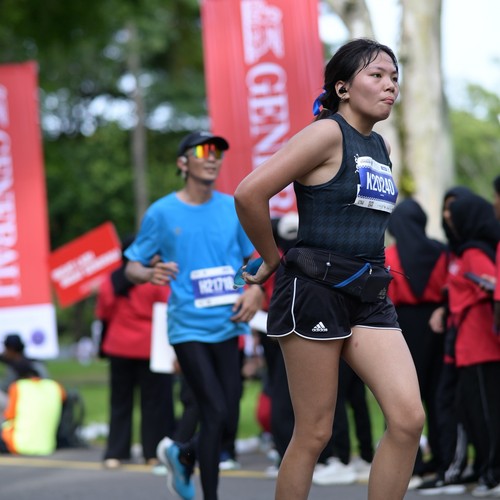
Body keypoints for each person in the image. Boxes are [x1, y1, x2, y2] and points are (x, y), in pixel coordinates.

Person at [234, 38, 425, 500]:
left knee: (407, 420)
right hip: (315, 290)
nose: (390, 85)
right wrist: (272, 259)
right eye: (376, 75)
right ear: (342, 88)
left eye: (394, 77)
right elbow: (249, 193)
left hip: (370, 294)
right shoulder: (326, 133)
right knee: (314, 433)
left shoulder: (380, 145)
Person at [124, 131, 264, 500]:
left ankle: (183, 454)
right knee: (213, 409)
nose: (212, 157)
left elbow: (254, 259)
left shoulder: (232, 207)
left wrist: (254, 289)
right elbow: (132, 266)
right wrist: (148, 273)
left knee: (227, 416)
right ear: (182, 162)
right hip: (188, 327)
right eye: (202, 150)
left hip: (229, 325)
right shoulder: (162, 213)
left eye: (217, 151)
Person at [95, 236, 175, 469]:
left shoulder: (111, 279)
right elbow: (167, 308)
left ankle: (115, 453)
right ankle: (151, 453)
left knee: (120, 401)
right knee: (153, 403)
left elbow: (103, 312)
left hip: (118, 346)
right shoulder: (155, 278)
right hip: (150, 347)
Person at [385, 198, 448, 479]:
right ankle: (443, 456)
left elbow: (387, 295)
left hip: (404, 325)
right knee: (438, 393)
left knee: (405, 395)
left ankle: (413, 462)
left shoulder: (390, 256)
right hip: (438, 324)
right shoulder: (441, 252)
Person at [444, 193, 500, 497]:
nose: (448, 217)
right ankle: (486, 470)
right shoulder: (464, 251)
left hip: (482, 344)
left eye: (454, 213)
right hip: (468, 344)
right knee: (473, 411)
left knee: (487, 414)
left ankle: (494, 474)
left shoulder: (475, 253)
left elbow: (491, 285)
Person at [0, 361, 65, 456]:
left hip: (17, 445)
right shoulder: (56, 386)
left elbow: (9, 415)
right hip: (48, 447)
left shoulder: (18, 386)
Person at [0, 334, 49, 421]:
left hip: (24, 402)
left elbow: (5, 387)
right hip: (42, 401)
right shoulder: (35, 363)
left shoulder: (17, 365)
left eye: (6, 349)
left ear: (11, 349)